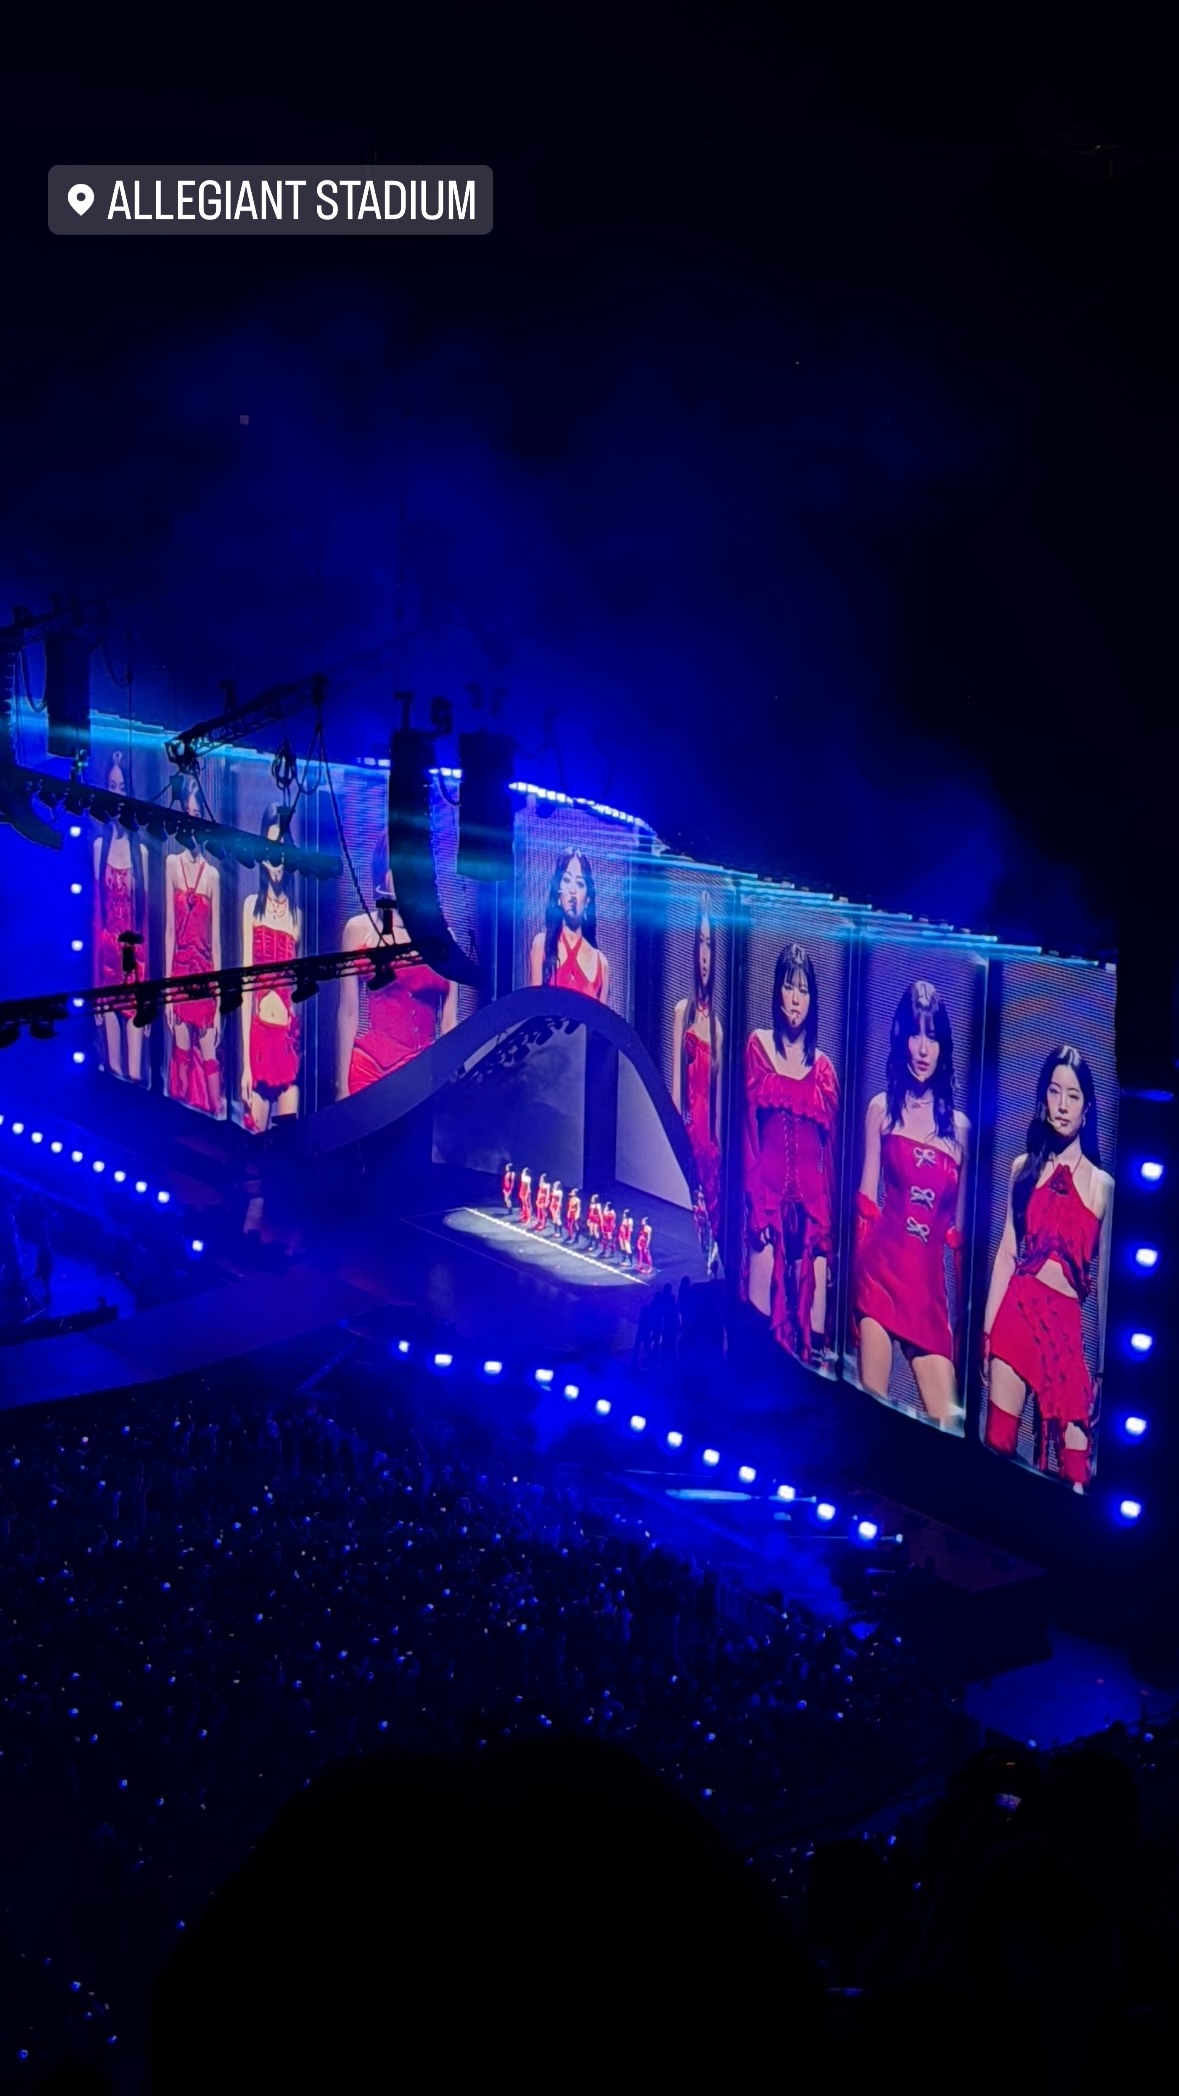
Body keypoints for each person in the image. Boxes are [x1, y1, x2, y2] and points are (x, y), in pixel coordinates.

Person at [981, 1045, 1113, 1491]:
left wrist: (1104, 1368)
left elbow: (1106, 1286)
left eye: (1072, 1096)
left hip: (1066, 1327)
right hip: (1018, 1311)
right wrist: (987, 1332)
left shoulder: (1102, 1186)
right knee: (998, 1445)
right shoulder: (1024, 1168)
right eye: (1054, 1092)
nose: (1061, 1105)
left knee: (1076, 1472)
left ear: (1087, 1107)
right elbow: (1007, 1252)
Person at [853, 980, 970, 1428]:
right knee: (871, 1409)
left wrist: (963, 1322)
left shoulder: (961, 1130)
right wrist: (850, 1296)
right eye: (915, 1034)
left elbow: (959, 1239)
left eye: (932, 1036)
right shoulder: (881, 1109)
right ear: (901, 1036)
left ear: (943, 1046)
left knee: (950, 1424)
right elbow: (866, 1204)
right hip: (879, 1277)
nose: (922, 1049)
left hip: (927, 1296)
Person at [744, 942, 840, 1366]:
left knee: (811, 1340)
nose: (796, 999)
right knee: (756, 1327)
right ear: (777, 992)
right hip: (766, 1202)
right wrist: (754, 1206)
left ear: (813, 998)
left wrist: (831, 1234)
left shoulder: (825, 1071)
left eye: (804, 990)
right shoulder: (758, 1048)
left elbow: (832, 1159)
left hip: (813, 1212)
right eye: (789, 987)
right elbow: (746, 1134)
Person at [336, 841, 458, 1096]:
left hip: (423, 1074)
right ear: (384, 874)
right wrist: (341, 1087)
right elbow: (348, 1012)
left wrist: (452, 1080)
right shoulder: (359, 929)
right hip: (371, 1071)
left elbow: (449, 1022)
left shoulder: (444, 938)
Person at [241, 804, 303, 1134]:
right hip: (259, 1040)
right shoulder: (252, 907)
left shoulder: (297, 915)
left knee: (288, 1142)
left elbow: (299, 989)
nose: (276, 862)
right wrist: (245, 1065)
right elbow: (245, 988)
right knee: (254, 1138)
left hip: (287, 1040)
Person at [164, 773, 223, 1117]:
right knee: (181, 1056)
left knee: (210, 1057)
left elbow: (216, 943)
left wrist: (219, 999)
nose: (191, 819)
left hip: (204, 977)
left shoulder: (212, 875)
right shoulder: (171, 864)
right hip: (179, 973)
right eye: (186, 813)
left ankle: (218, 1122)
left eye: (196, 813)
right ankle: (176, 1127)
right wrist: (167, 992)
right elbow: (169, 932)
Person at [92, 749, 151, 1083]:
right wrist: (96, 987)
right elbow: (96, 920)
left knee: (134, 1073)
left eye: (122, 788)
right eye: (111, 787)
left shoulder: (141, 853)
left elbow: (147, 927)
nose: (117, 795)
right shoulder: (98, 850)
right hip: (107, 964)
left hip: (135, 968)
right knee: (112, 1070)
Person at [672, 893, 723, 1239]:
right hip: (686, 1134)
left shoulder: (719, 1028)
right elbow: (677, 1090)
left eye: (710, 945)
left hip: (710, 1144)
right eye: (700, 943)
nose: (704, 955)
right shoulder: (683, 1012)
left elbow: (718, 1107)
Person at [529, 848, 610, 1002]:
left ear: (588, 899)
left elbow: (601, 1017)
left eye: (579, 883)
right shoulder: (542, 944)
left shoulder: (601, 963)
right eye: (567, 881)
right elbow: (534, 1008)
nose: (573, 891)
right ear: (558, 894)